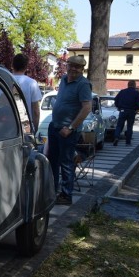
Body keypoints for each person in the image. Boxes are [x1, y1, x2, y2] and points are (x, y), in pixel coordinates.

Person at [47, 55, 92, 206]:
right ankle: (51, 190)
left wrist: (71, 127)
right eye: (71, 65)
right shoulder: (64, 80)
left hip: (68, 130)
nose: (73, 68)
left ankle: (66, 195)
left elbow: (86, 108)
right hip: (55, 126)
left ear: (82, 69)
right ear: (67, 65)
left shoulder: (83, 84)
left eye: (77, 67)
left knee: (66, 162)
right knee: (51, 160)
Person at [11, 53, 42, 132]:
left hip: (7, 124)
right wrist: (35, 128)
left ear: (12, 65)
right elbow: (36, 110)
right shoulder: (31, 83)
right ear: (26, 67)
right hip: (25, 127)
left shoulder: (4, 79)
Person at [112, 80, 139, 146]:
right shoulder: (136, 93)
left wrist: (119, 107)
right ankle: (128, 142)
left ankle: (116, 137)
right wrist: (136, 109)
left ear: (128, 85)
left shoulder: (122, 92)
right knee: (129, 126)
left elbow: (116, 100)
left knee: (119, 125)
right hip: (131, 111)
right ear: (134, 85)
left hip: (123, 110)